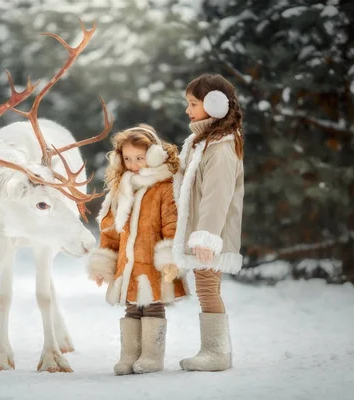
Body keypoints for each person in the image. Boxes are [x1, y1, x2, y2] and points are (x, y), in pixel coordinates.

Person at [87, 124, 188, 375]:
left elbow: (172, 224)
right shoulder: (121, 189)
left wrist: (170, 258)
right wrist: (103, 265)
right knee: (131, 306)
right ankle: (129, 355)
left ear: (154, 155)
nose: (133, 164)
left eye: (140, 158)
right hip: (127, 264)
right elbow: (110, 230)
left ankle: (152, 356)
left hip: (153, 263)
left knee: (153, 305)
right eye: (128, 158)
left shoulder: (164, 187)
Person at [163, 73, 245, 372]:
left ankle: (217, 353)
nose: (188, 110)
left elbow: (217, 194)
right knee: (205, 287)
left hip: (211, 233)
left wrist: (206, 235)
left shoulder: (221, 145)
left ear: (214, 104)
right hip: (202, 229)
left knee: (208, 288)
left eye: (193, 103)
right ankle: (213, 350)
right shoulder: (201, 141)